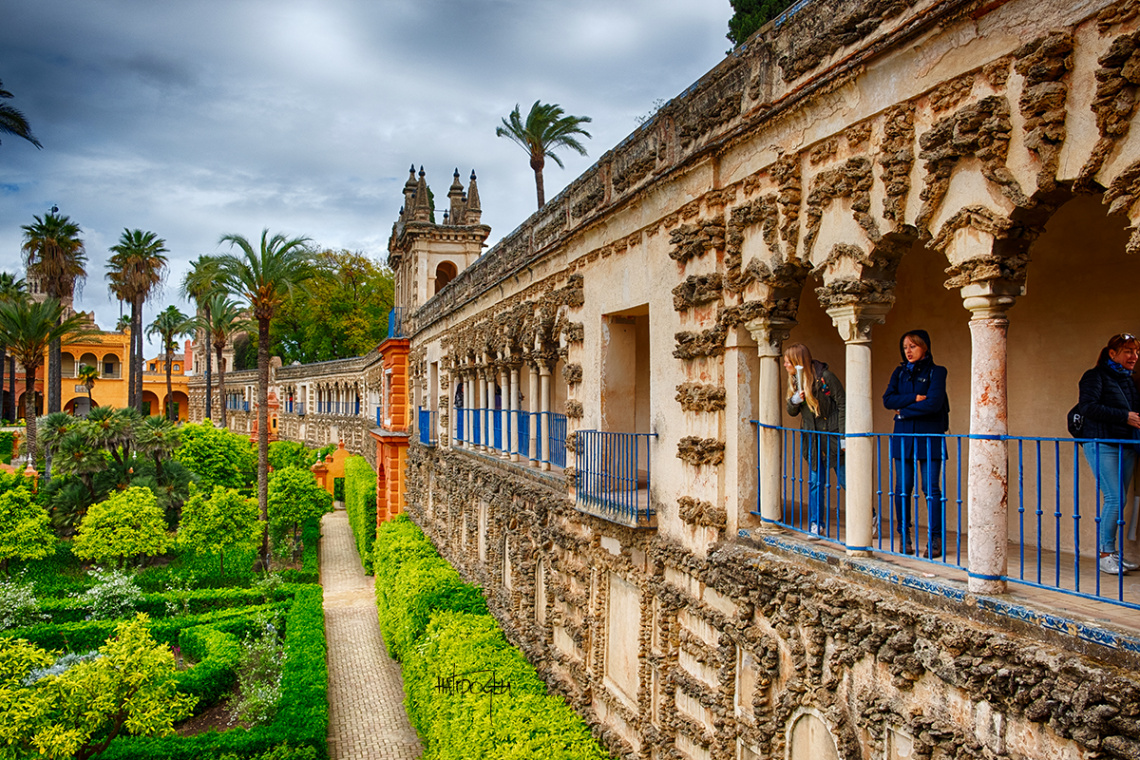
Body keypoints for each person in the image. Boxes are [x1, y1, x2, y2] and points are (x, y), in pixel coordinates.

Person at [1077, 333, 1140, 575]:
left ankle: (1113, 554)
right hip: (1102, 443)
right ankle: (1105, 554)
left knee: (1120, 499)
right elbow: (1088, 406)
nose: (1133, 357)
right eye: (1128, 351)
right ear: (1112, 353)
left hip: (1125, 445)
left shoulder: (1127, 379)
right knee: (1114, 498)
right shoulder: (1094, 376)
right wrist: (1124, 417)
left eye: (1136, 352)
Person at [882, 330, 949, 558]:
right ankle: (905, 536)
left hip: (929, 437)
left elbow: (934, 403)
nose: (908, 351)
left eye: (913, 346)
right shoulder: (899, 372)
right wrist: (913, 398)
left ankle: (935, 539)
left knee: (931, 489)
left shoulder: (937, 372)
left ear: (925, 347)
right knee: (903, 489)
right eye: (905, 347)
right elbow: (887, 400)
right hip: (903, 439)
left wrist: (903, 411)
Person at [784, 343, 846, 539]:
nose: (785, 364)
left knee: (846, 480)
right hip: (812, 439)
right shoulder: (795, 381)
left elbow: (843, 403)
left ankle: (868, 516)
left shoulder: (825, 377)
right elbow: (792, 411)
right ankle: (815, 524)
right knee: (815, 482)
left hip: (833, 436)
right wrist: (795, 400)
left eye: (788, 361)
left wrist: (844, 437)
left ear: (797, 361)